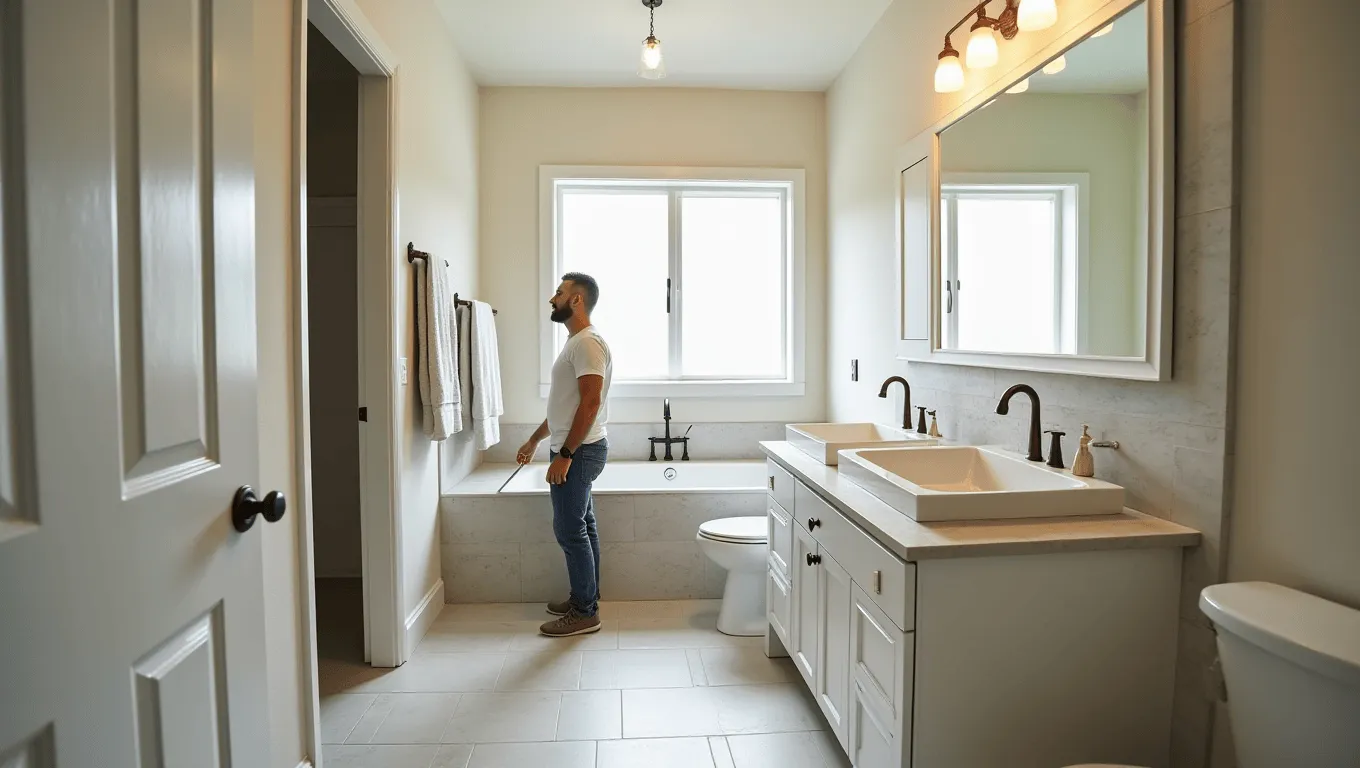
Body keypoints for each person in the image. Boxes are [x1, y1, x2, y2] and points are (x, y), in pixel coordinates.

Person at [516, 273, 613, 637]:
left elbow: (590, 403)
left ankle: (586, 612)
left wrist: (567, 453)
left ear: (576, 300)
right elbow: (564, 408)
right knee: (582, 526)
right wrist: (535, 440)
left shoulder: (587, 344)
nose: (552, 298)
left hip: (581, 450)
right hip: (577, 448)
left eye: (559, 293)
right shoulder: (576, 343)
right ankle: (585, 597)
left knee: (570, 530)